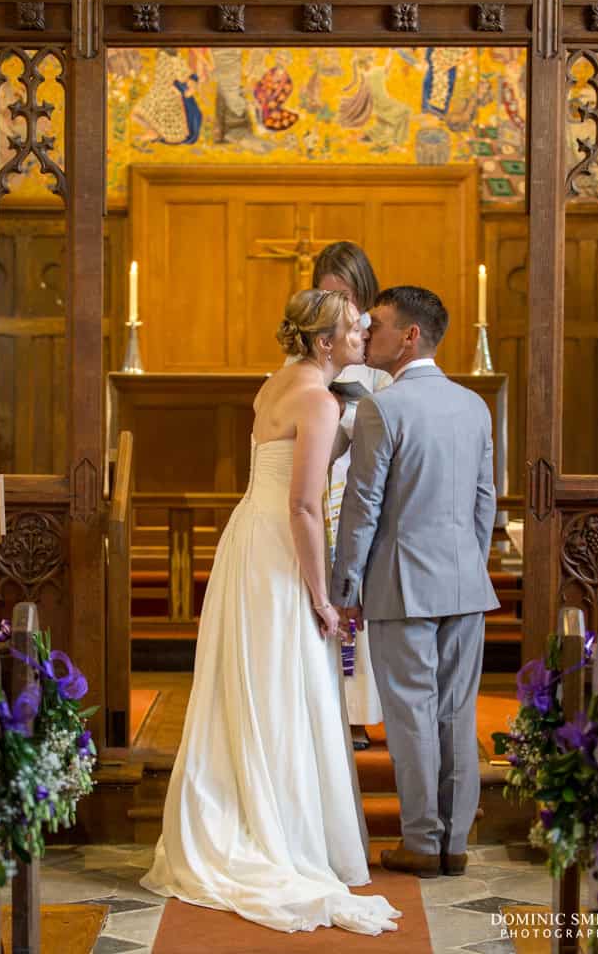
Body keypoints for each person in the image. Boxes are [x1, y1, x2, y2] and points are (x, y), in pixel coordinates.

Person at [141, 289, 401, 936]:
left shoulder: (277, 387)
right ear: (323, 343)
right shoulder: (316, 398)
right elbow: (304, 507)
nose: (362, 337)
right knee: (284, 686)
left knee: (252, 685)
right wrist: (322, 595)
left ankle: (246, 810)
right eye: (351, 330)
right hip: (280, 553)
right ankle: (278, 829)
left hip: (246, 540)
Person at [331, 286, 499, 879]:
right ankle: (454, 844)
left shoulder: (385, 408)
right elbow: (486, 504)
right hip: (465, 584)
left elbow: (363, 506)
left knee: (410, 716)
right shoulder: (473, 406)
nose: (366, 334)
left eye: (375, 325)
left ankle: (422, 843)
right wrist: (467, 567)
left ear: (409, 337)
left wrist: (344, 589)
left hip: (401, 585)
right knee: (456, 712)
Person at [311, 241, 392, 749]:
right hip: (318, 489)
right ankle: (320, 707)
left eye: (345, 294)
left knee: (357, 609)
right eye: (325, 294)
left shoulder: (377, 367)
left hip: (360, 494)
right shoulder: (310, 356)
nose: (337, 306)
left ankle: (358, 712)